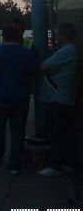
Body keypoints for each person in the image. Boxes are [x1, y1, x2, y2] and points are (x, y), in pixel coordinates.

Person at [0, 24, 39, 175]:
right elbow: (33, 75)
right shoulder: (27, 53)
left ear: (4, 36)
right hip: (21, 97)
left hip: (1, 97)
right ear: (19, 37)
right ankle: (14, 166)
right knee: (18, 133)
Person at [38, 23, 78, 177]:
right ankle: (65, 163)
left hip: (58, 98)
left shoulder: (66, 51)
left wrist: (48, 68)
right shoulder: (70, 50)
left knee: (56, 133)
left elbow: (45, 66)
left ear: (63, 35)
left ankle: (54, 165)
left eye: (56, 34)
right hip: (64, 98)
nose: (54, 37)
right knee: (64, 133)